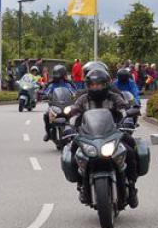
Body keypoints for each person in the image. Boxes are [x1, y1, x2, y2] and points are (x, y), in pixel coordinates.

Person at [70, 67, 139, 207]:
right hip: (89, 136)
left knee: (131, 149)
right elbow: (74, 111)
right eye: (93, 85)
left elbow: (123, 108)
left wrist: (128, 116)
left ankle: (131, 186)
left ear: (106, 84)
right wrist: (67, 122)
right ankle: (80, 184)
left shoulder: (114, 97)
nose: (96, 87)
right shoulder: (83, 99)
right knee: (73, 150)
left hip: (113, 133)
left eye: (99, 84)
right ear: (88, 85)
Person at [42, 65, 75, 142]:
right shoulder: (51, 85)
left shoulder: (68, 84)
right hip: (54, 106)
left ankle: (75, 133)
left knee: (76, 117)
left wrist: (76, 95)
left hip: (67, 106)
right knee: (46, 115)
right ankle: (48, 133)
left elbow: (74, 92)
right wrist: (44, 95)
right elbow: (46, 92)